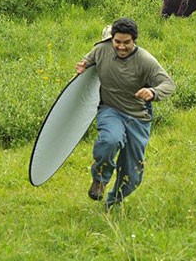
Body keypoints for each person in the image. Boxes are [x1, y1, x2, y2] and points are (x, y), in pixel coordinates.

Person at [75, 18, 175, 209]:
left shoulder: (145, 61)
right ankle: (100, 180)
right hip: (110, 110)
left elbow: (169, 85)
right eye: (117, 42)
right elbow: (87, 62)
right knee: (109, 140)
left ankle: (112, 204)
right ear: (112, 39)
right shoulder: (101, 50)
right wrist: (83, 67)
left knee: (132, 175)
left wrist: (153, 92)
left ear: (134, 40)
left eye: (126, 43)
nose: (121, 47)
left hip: (138, 118)